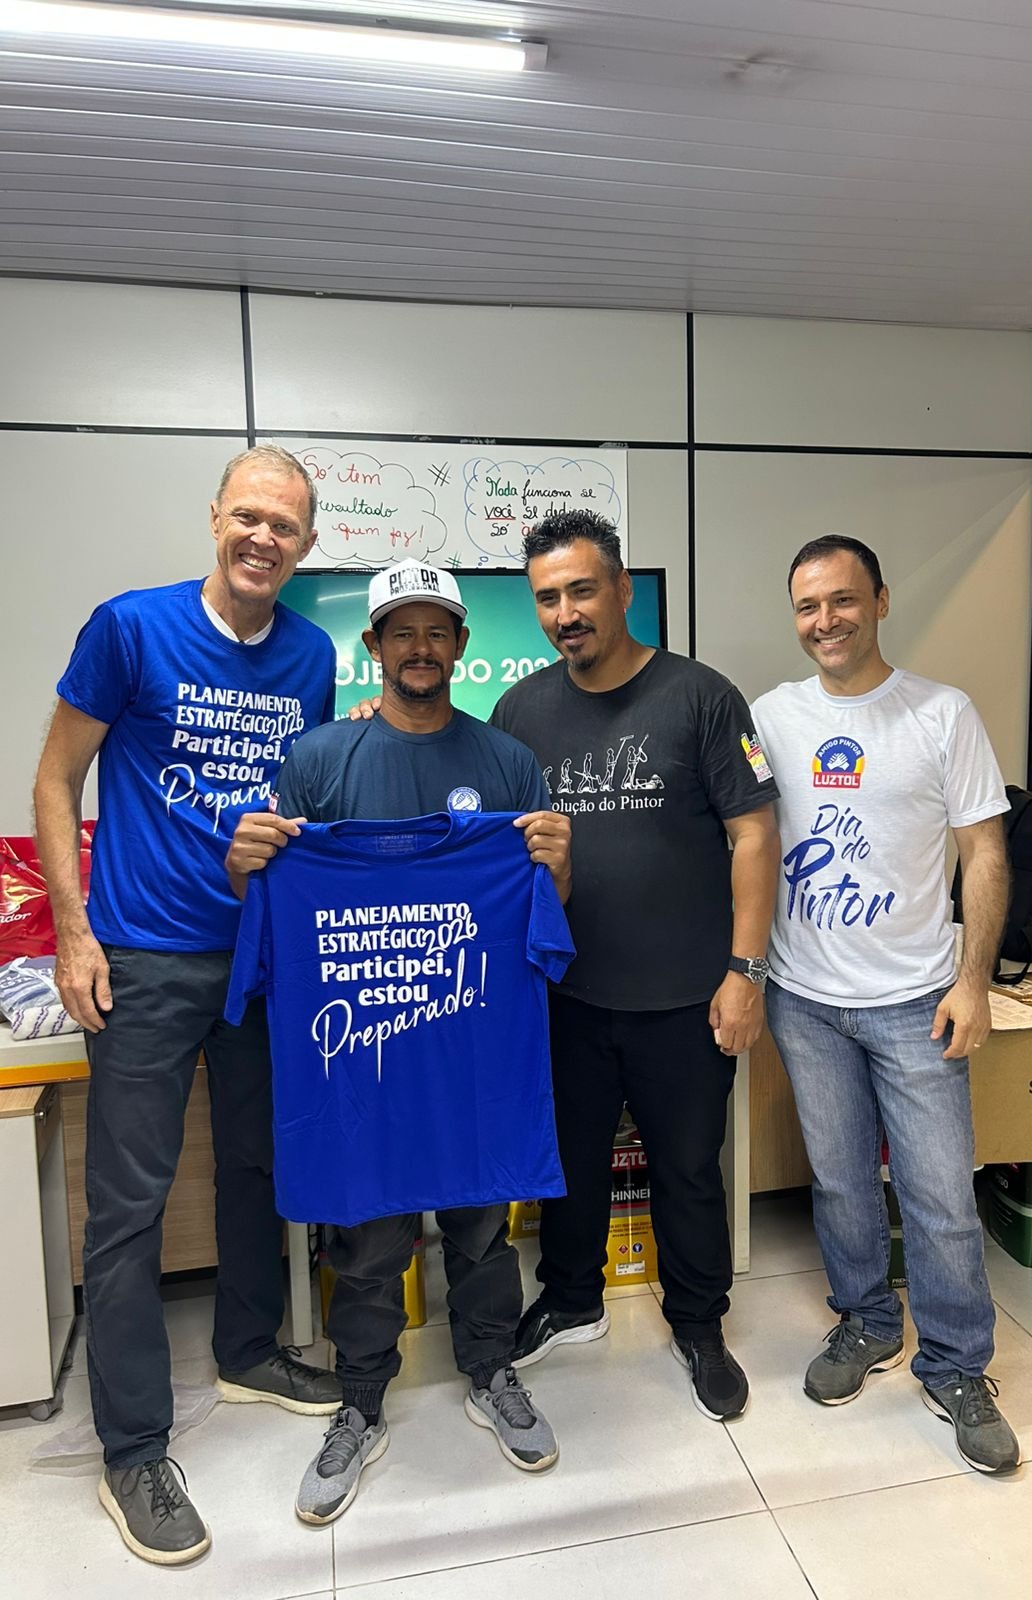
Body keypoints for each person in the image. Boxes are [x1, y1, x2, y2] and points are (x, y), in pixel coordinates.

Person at [32, 445, 343, 1565]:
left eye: (285, 525)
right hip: (144, 958)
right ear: (216, 517)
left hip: (258, 955)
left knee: (257, 1163)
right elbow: (56, 776)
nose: (264, 537)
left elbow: (299, 801)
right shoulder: (130, 628)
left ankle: (247, 1350)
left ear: (307, 546)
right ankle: (131, 1449)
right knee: (129, 1205)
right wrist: (74, 933)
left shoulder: (311, 655)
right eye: (248, 515)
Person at [225, 558, 573, 1526]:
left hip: (469, 1050)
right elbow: (277, 905)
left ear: (460, 645)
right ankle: (362, 1398)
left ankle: (491, 1370)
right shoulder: (318, 760)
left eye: (436, 631)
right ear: (372, 644)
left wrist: (557, 865)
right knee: (369, 1235)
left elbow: (546, 921)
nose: (420, 648)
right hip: (363, 1059)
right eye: (401, 631)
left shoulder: (507, 762)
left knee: (481, 1222)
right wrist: (249, 865)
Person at [490, 509, 781, 1422]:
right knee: (568, 1165)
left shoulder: (703, 697)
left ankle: (698, 1324)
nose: (566, 613)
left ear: (621, 589)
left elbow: (754, 834)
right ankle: (571, 1297)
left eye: (582, 590)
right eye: (548, 598)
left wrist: (745, 972)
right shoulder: (519, 711)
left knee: (686, 1171)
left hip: (686, 995)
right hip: (566, 993)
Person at [751, 533, 1020, 1475]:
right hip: (805, 1001)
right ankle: (867, 1321)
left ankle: (957, 1366)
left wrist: (973, 982)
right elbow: (740, 835)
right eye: (807, 605)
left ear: (880, 600)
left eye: (842, 600)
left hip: (917, 1001)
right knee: (838, 1182)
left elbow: (986, 853)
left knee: (941, 1196)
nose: (825, 620)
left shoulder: (942, 714)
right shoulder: (770, 716)